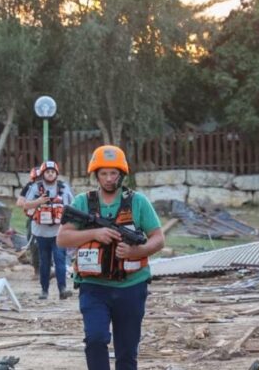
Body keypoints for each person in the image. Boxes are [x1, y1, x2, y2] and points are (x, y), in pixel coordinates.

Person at [57, 145, 164, 370]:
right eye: (103, 173)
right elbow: (63, 239)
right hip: (93, 286)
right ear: (96, 175)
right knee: (95, 339)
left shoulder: (138, 202)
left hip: (132, 286)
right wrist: (95, 233)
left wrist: (137, 252)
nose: (108, 179)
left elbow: (158, 238)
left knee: (127, 351)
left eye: (113, 173)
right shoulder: (82, 202)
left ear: (121, 174)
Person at [23, 160, 75, 300]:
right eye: (47, 172)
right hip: (41, 232)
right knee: (44, 262)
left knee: (60, 260)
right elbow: (26, 205)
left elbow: (72, 205)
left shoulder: (64, 187)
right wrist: (39, 201)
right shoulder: (35, 188)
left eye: (53, 172)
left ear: (56, 174)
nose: (50, 174)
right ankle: (44, 290)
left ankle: (62, 289)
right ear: (43, 173)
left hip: (59, 232)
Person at [16, 166, 42, 278]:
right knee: (33, 243)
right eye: (37, 178)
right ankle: (37, 270)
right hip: (34, 218)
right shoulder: (29, 187)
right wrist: (33, 203)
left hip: (51, 219)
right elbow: (20, 202)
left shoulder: (53, 186)